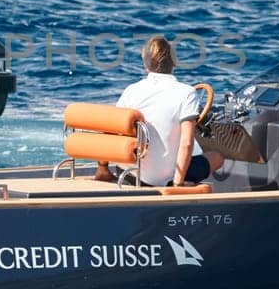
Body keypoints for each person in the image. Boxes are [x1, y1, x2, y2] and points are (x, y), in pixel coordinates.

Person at [96, 35, 224, 188]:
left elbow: (110, 130)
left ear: (146, 65)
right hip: (160, 179)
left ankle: (102, 171)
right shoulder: (187, 93)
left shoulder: (131, 90)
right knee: (217, 157)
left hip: (127, 173)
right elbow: (186, 144)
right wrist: (178, 184)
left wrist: (103, 168)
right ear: (174, 62)